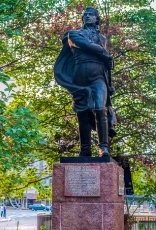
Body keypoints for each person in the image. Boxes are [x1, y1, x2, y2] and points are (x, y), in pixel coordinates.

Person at [54, 7, 116, 156]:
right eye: (85, 15)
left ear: (97, 19)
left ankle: (103, 147)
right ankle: (85, 150)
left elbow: (106, 64)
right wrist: (105, 54)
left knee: (100, 108)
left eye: (91, 15)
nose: (87, 17)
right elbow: (86, 45)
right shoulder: (74, 35)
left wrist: (109, 83)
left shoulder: (103, 39)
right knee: (82, 113)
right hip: (79, 80)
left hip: (98, 78)